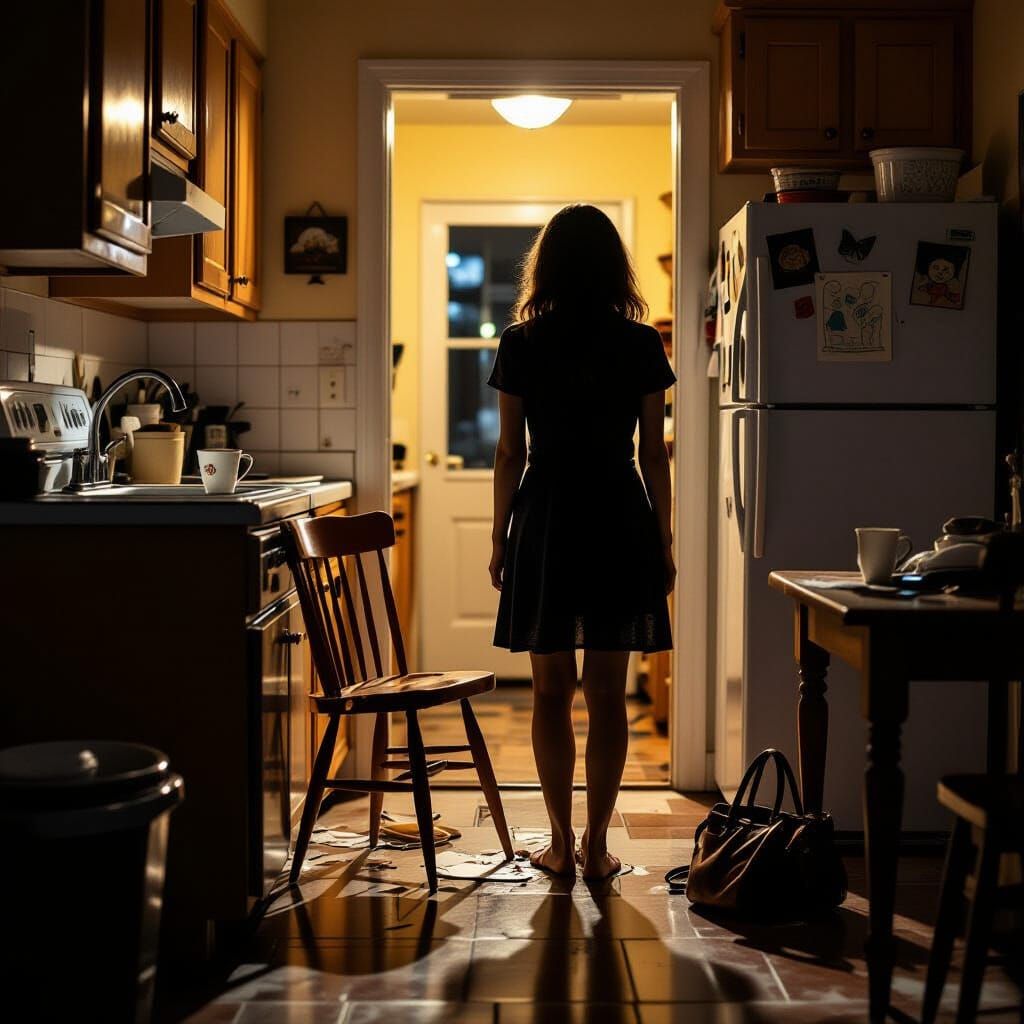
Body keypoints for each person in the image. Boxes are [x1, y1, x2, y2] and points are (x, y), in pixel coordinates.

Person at [487, 204, 676, 881]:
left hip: (546, 516)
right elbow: (653, 454)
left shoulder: (521, 342)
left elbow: (510, 452)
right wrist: (664, 539)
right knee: (607, 691)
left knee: (548, 691)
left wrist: (500, 538)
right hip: (619, 514)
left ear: (547, 268)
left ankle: (560, 842)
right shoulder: (641, 343)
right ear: (614, 268)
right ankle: (597, 847)